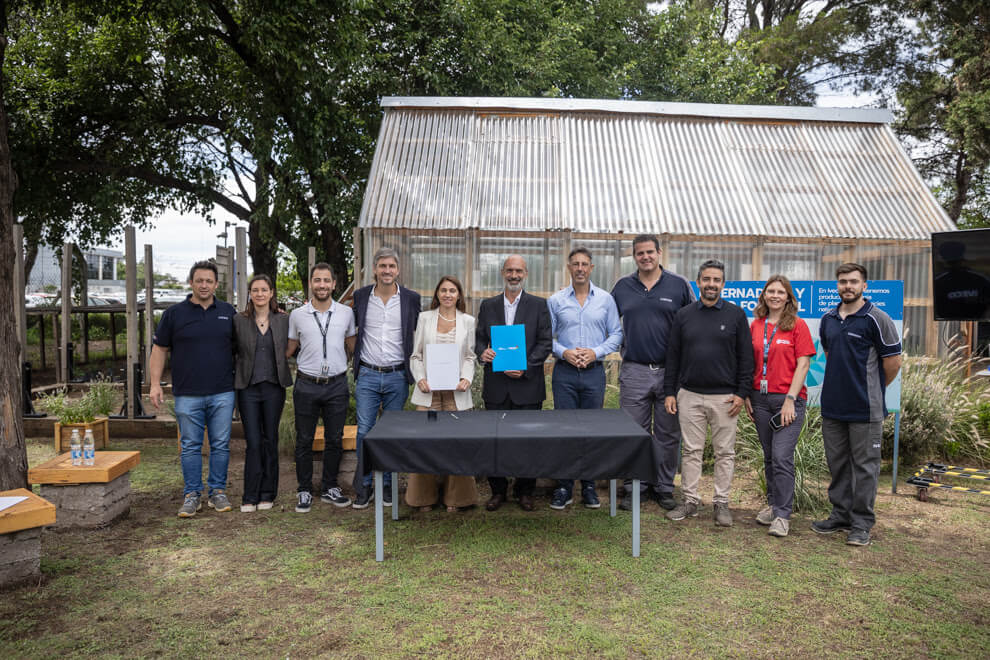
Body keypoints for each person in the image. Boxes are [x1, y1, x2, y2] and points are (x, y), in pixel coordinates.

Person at [813, 263, 902, 546]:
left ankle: (861, 524)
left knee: (865, 468)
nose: (847, 286)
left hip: (866, 409)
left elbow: (893, 363)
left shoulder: (877, 318)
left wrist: (873, 390)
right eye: (842, 282)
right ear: (837, 285)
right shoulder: (828, 319)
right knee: (838, 465)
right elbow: (829, 353)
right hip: (833, 408)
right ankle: (840, 515)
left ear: (865, 285)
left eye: (853, 282)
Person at [664, 259, 753, 526]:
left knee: (725, 453)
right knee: (691, 451)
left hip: (725, 398)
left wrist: (741, 393)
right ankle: (690, 501)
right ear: (698, 282)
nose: (711, 284)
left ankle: (721, 503)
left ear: (723, 284)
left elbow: (746, 358)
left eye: (716, 280)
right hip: (689, 395)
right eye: (706, 279)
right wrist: (670, 391)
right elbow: (673, 356)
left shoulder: (736, 315)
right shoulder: (684, 315)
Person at [611, 234, 694, 511]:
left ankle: (664, 487)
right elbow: (608, 325)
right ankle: (635, 486)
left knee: (668, 434)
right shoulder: (622, 287)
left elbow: (692, 324)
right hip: (634, 369)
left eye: (650, 252)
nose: (645, 257)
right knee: (633, 432)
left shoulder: (679, 285)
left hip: (670, 373)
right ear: (634, 256)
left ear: (659, 253)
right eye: (639, 253)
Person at [149, 260, 236, 518]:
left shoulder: (228, 312)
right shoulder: (174, 314)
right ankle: (192, 494)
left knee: (220, 444)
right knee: (189, 446)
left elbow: (241, 349)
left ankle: (218, 491)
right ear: (191, 283)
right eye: (199, 280)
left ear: (216, 284)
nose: (204, 285)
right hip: (187, 393)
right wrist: (155, 384)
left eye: (209, 281)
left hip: (222, 391)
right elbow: (159, 349)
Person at [547, 247, 622, 510]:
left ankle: (588, 486)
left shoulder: (605, 300)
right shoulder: (556, 301)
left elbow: (616, 334)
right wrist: (564, 352)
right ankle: (564, 486)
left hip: (594, 373)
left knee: (592, 430)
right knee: (564, 430)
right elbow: (547, 337)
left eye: (585, 264)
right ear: (569, 267)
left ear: (592, 268)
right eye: (575, 264)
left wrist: (595, 352)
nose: (580, 268)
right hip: (564, 373)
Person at [475, 254, 552, 511]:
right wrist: (482, 353)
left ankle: (524, 491)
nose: (514, 275)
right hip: (496, 386)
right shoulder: (488, 306)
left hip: (527, 386)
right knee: (494, 440)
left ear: (526, 273)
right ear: (502, 273)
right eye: (509, 270)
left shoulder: (539, 305)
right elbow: (478, 340)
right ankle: (498, 491)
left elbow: (545, 343)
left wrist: (526, 366)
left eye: (518, 271)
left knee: (527, 441)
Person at [744, 275, 815, 537]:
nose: (775, 295)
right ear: (763, 295)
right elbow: (749, 363)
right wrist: (748, 396)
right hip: (760, 399)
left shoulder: (797, 326)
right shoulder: (756, 325)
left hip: (788, 400)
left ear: (788, 297)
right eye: (770, 291)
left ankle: (783, 516)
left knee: (782, 457)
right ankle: (774, 505)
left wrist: (790, 400)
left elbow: (804, 364)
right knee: (769, 456)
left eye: (780, 292)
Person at [351, 247, 421, 509]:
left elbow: (417, 334)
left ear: (398, 270)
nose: (387, 271)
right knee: (364, 432)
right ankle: (365, 486)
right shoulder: (360, 297)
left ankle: (389, 488)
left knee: (392, 434)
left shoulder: (411, 299)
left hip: (397, 375)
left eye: (392, 266)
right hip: (368, 373)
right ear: (375, 269)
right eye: (383, 266)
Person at [286, 263, 356, 513]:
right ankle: (304, 489)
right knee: (304, 439)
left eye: (327, 280)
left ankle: (329, 486)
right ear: (311, 284)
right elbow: (290, 348)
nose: (322, 285)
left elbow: (352, 345)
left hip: (336, 384)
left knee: (334, 439)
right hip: (307, 384)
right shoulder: (297, 315)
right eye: (317, 280)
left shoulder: (346, 313)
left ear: (334, 284)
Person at [406, 276, 478, 512]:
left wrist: (467, 377)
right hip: (429, 392)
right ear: (437, 294)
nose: (448, 294)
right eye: (443, 290)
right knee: (423, 444)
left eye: (452, 290)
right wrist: (421, 379)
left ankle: (457, 499)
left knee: (458, 445)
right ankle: (422, 498)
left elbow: (470, 356)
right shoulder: (425, 318)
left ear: (459, 295)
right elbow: (415, 356)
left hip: (456, 393)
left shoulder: (468, 321)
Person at [233, 274, 292, 512]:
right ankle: (250, 494)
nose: (259, 294)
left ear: (271, 293)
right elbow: (232, 350)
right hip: (248, 388)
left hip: (274, 388)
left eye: (264, 290)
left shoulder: (283, 320)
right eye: (255, 290)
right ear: (250, 293)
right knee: (253, 442)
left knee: (270, 439)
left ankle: (268, 493)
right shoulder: (239, 320)